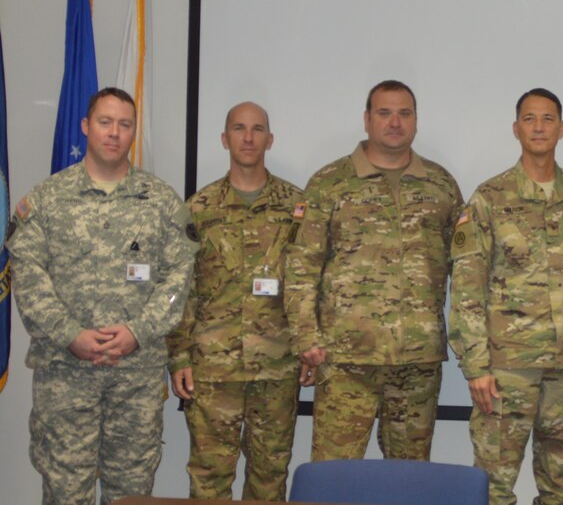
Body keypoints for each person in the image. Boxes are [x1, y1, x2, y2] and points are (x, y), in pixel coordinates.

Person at [8, 87, 197, 505]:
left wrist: (138, 330)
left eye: (125, 124)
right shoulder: (47, 200)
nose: (114, 132)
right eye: (105, 122)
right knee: (65, 488)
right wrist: (68, 333)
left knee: (131, 490)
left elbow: (179, 277)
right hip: (65, 374)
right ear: (86, 127)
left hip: (136, 373)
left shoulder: (161, 201)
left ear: (133, 132)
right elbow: (28, 274)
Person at [285, 79, 462, 461]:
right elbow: (302, 266)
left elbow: (463, 270)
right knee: (334, 478)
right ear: (367, 120)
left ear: (416, 120)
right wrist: (306, 338)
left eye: (404, 113)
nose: (394, 122)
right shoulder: (329, 182)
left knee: (410, 480)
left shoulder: (441, 185)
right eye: (384, 113)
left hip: (417, 361)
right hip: (346, 359)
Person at [449, 88, 563, 505]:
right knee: (494, 485)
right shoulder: (490, 197)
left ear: (562, 128)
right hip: (506, 369)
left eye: (548, 118)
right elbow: (466, 286)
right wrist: (476, 366)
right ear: (516, 128)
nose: (539, 127)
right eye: (530, 119)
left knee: (561, 483)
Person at [167, 101, 304, 500]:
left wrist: (308, 348)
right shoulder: (198, 208)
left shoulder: (297, 208)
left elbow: (309, 282)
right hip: (213, 369)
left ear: (270, 139)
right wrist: (178, 356)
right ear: (224, 138)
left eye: (257, 129)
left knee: (270, 478)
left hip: (277, 368)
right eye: (239, 129)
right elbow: (182, 288)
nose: (248, 138)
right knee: (209, 480)